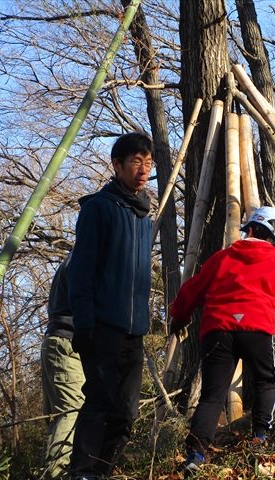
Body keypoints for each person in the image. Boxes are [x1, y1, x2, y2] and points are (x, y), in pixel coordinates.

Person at [169, 206, 275, 477]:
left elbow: (193, 289)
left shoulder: (222, 258)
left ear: (248, 230)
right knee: (265, 382)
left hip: (217, 330)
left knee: (212, 396)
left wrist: (179, 317)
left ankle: (196, 454)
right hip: (256, 330)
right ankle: (260, 438)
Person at [68, 132, 154, 479]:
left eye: (148, 163)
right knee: (100, 401)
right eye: (136, 161)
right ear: (117, 164)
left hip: (135, 330)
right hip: (102, 325)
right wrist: (84, 322)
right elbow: (81, 271)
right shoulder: (98, 209)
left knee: (126, 412)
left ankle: (103, 472)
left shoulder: (144, 217)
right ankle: (83, 472)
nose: (143, 169)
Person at [40, 251, 85, 479]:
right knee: (72, 411)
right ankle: (57, 473)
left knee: (61, 415)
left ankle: (50, 471)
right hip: (67, 343)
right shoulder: (83, 258)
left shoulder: (72, 258)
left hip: (55, 342)